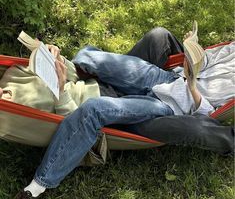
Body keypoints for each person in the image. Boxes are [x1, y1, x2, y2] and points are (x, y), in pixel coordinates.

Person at [13, 27, 234, 198]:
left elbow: (207, 113)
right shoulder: (231, 50)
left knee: (93, 109)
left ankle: (39, 184)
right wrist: (192, 52)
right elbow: (206, 61)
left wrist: (193, 87)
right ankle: (115, 88)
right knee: (88, 56)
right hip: (169, 79)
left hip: (168, 106)